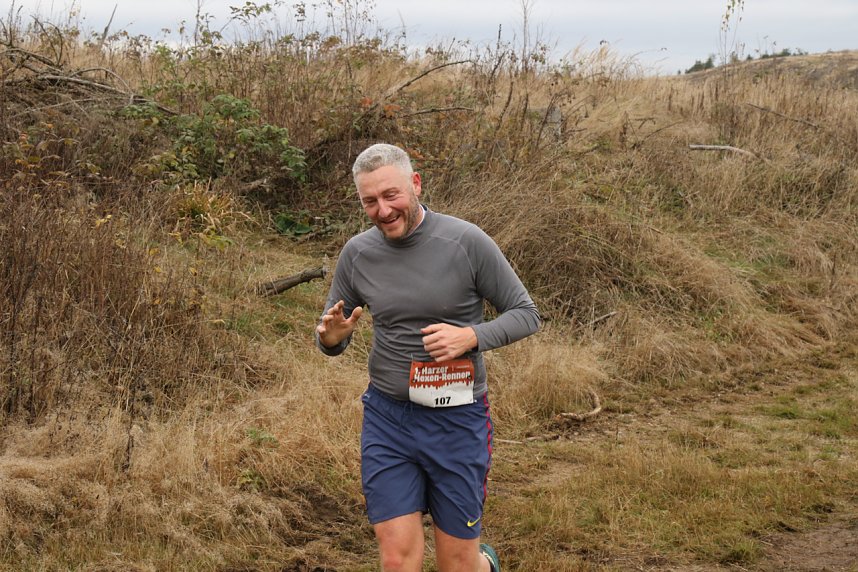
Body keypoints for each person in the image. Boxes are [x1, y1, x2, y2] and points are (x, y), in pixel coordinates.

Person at [315, 143, 540, 572]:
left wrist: (470, 337)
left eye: (391, 195)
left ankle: (483, 565)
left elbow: (527, 314)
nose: (382, 210)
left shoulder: (466, 242)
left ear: (415, 184)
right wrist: (332, 339)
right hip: (388, 419)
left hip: (457, 420)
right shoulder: (357, 254)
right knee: (398, 560)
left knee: (457, 564)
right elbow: (331, 333)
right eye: (370, 201)